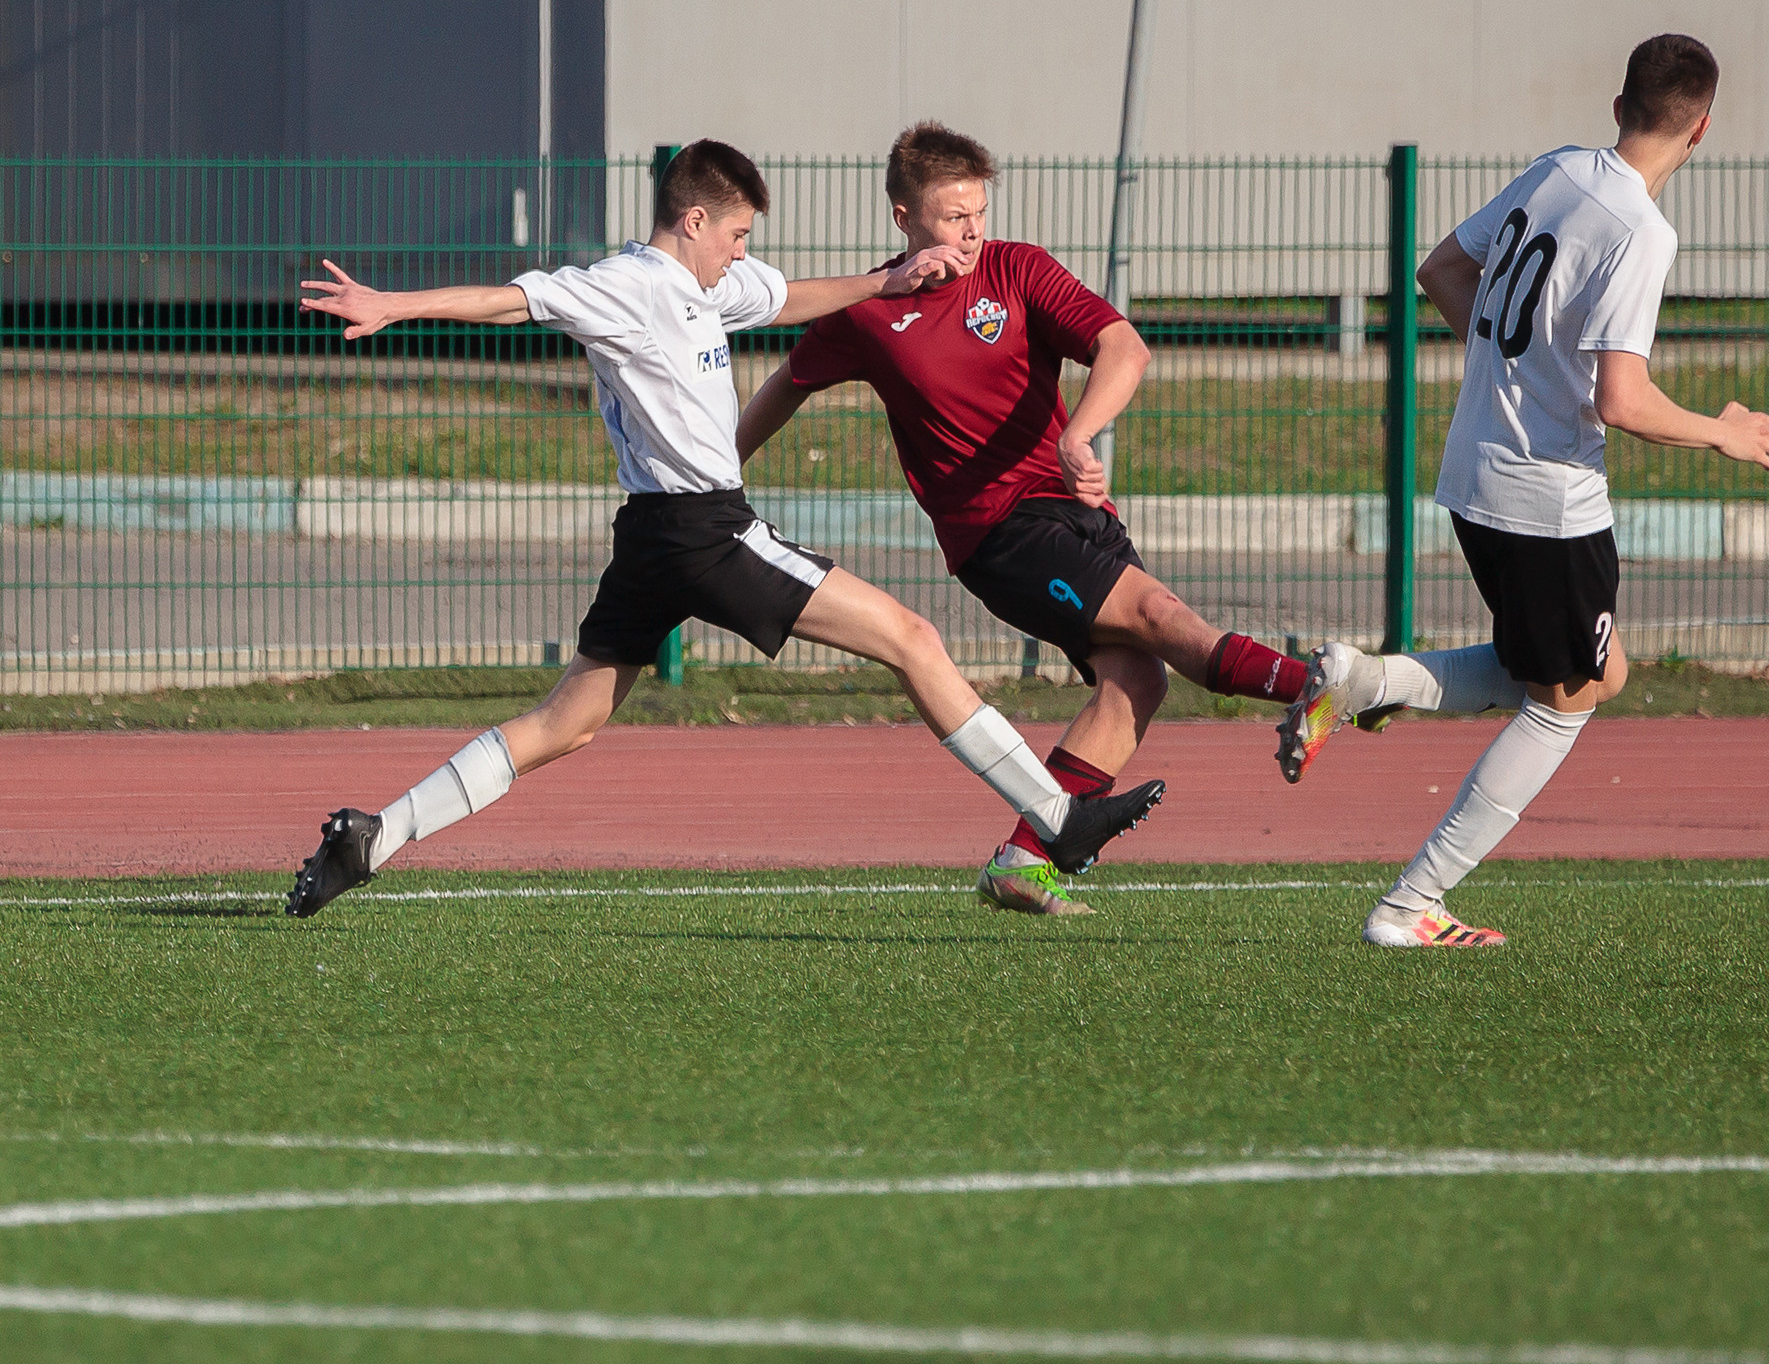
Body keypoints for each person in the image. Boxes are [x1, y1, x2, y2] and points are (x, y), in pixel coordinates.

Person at [284, 140, 1164, 917]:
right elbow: (509, 300)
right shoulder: (624, 286)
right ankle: (1057, 817)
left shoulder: (711, 284)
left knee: (568, 719)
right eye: (735, 235)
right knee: (911, 637)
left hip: (654, 540)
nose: (742, 255)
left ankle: (376, 833)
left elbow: (787, 297)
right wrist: (394, 305)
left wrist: (885, 282)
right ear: (693, 219)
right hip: (703, 531)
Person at [1276, 35, 1769, 947]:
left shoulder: (1559, 170)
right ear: (1702, 128)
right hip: (1548, 498)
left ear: (1617, 103)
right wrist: (1725, 429)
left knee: (1591, 669)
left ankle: (1366, 680)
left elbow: (1440, 270)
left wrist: (1505, 366)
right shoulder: (1640, 229)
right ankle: (1409, 905)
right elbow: (1620, 401)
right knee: (1566, 697)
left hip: (1473, 469)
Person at [737, 121, 1312, 917]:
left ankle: (1022, 861)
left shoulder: (1017, 269)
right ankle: (1313, 686)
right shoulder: (871, 312)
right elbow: (787, 383)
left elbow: (1123, 347)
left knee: (1134, 681)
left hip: (1077, 514)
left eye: (978, 212)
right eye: (951, 216)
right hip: (997, 535)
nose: (972, 232)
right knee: (1158, 615)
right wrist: (718, 464)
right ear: (903, 218)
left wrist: (1078, 433)